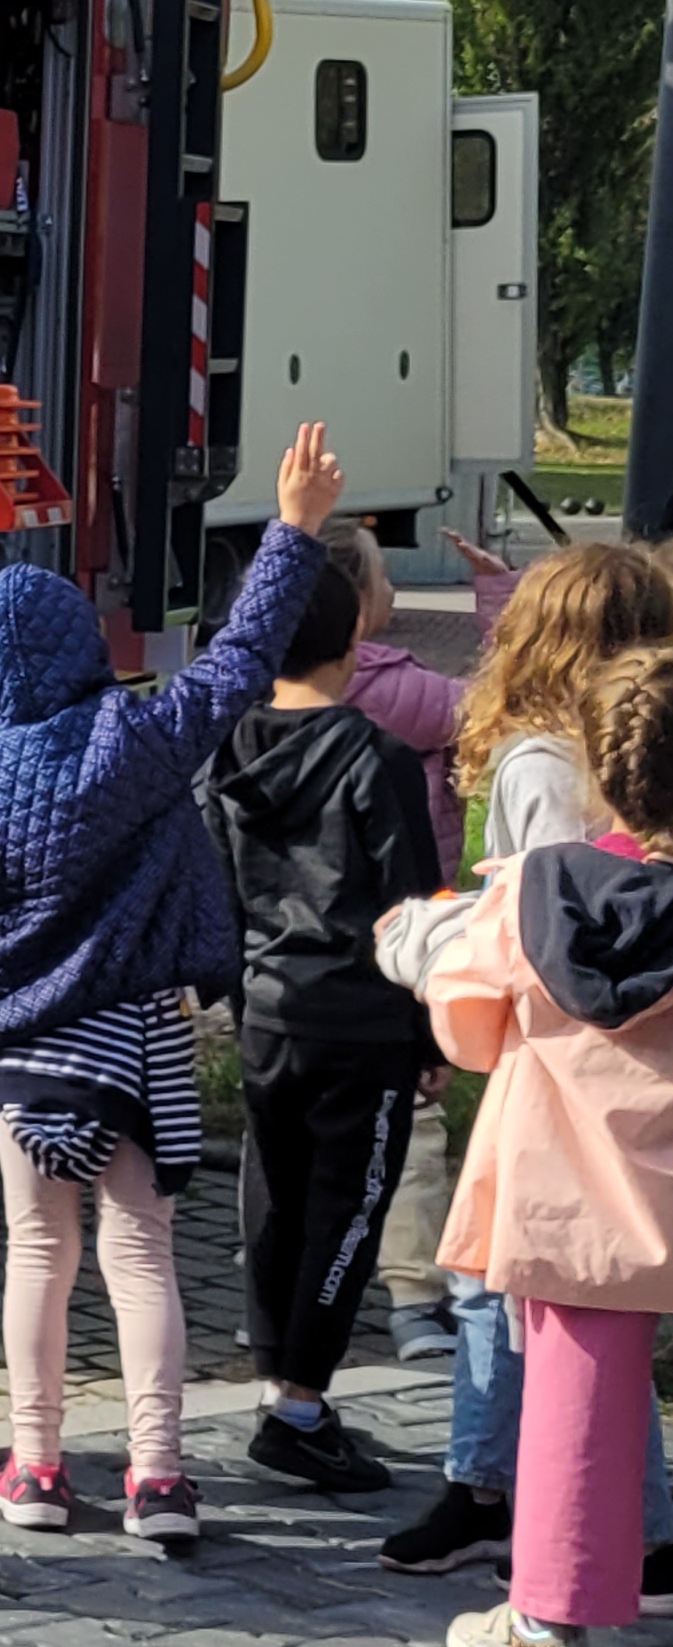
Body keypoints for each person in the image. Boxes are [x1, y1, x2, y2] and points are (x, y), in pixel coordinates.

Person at [0, 418, 345, 1549]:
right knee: (141, 1253)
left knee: (37, 1252)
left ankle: (36, 1467)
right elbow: (239, 662)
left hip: (26, 1054)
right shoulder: (138, 739)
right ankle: (159, 1480)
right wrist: (294, 533)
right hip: (141, 1038)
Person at [379, 540, 673, 1584]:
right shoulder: (632, 751)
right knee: (597, 1312)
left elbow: (538, 926)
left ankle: (501, 1500)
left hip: (551, 1070)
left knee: (510, 1292)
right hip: (625, 1077)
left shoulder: (542, 763)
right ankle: (627, 1524)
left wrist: (425, 942)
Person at [198, 545, 441, 1494]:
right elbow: (414, 909)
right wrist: (430, 1035)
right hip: (363, 1021)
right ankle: (301, 1407)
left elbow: (220, 891)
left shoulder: (228, 750)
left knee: (275, 1196)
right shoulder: (377, 758)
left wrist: (239, 992)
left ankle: (278, 1380)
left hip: (268, 1009)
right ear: (356, 640)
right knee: (349, 1209)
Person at [309, 519, 511, 1363]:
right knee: (412, 1116)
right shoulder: (394, 688)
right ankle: (413, 1294)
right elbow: (495, 708)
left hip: (307, 932)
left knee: (306, 1120)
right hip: (400, 927)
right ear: (356, 609)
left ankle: (287, 1283)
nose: (395, 590)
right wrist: (499, 599)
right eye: (384, 578)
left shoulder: (273, 692)